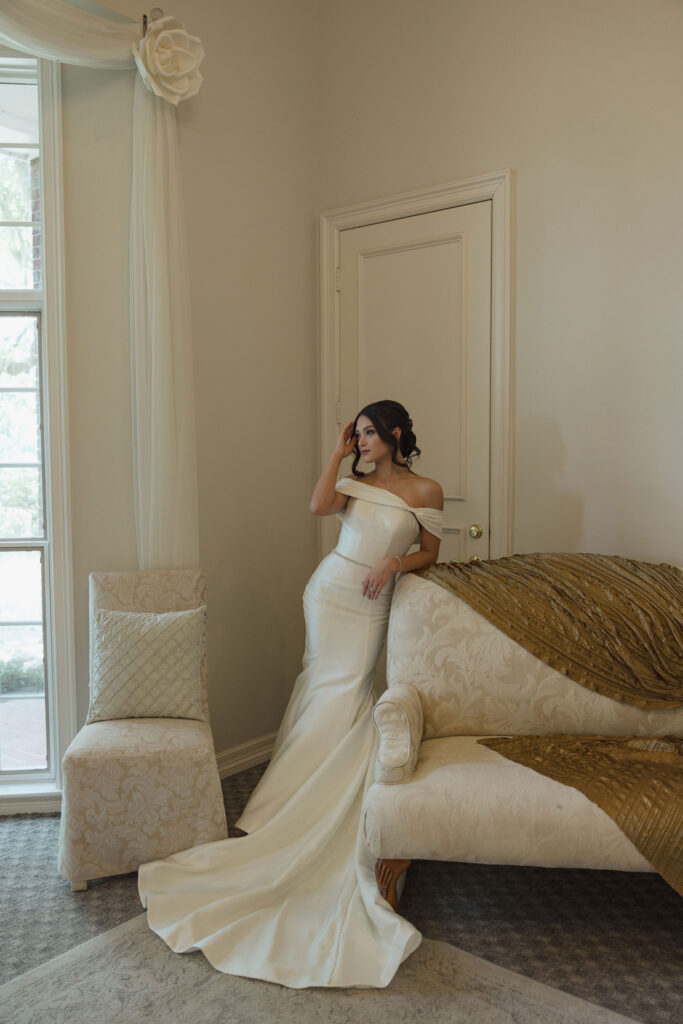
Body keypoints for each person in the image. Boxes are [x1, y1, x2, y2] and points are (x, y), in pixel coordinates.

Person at [138, 399, 443, 988]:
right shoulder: (351, 483)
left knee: (349, 692)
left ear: (396, 433)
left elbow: (432, 554)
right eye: (357, 436)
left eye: (369, 434)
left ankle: (320, 800)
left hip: (372, 600)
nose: (362, 443)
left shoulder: (426, 489)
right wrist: (335, 453)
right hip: (330, 592)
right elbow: (318, 505)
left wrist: (394, 563)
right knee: (324, 689)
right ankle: (292, 804)